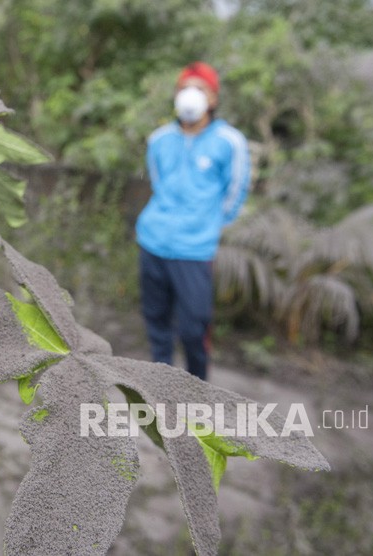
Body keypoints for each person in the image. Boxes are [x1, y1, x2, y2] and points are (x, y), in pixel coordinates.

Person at [136, 61, 250, 380]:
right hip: (153, 241)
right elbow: (157, 181)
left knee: (193, 326)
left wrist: (207, 224)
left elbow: (235, 191)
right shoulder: (159, 139)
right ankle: (161, 386)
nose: (190, 96)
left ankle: (199, 391)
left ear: (213, 98)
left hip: (194, 251)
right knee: (156, 321)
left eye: (199, 89)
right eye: (184, 88)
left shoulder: (230, 142)